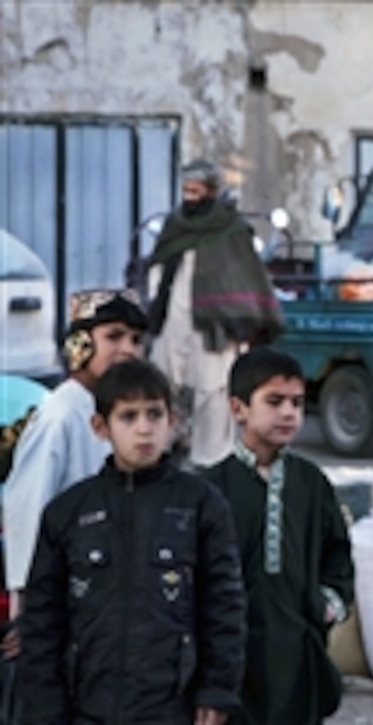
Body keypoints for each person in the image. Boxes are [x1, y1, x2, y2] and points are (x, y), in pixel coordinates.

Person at [17, 358, 247, 724]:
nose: (144, 430)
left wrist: (217, 690)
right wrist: (43, 708)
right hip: (86, 705)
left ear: (172, 421)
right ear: (100, 426)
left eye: (154, 415)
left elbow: (224, 606)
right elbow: (43, 620)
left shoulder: (202, 505)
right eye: (128, 416)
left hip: (173, 706)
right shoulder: (68, 512)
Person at [201, 347, 354, 724]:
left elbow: (338, 555)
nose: (288, 413)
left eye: (297, 403)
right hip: (234, 652)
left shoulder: (312, 483)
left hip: (298, 646)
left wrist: (328, 604)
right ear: (239, 409)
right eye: (274, 401)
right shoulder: (210, 489)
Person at [3, 288, 147, 624]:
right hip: (64, 596)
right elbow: (28, 509)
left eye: (136, 339)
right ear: (79, 345)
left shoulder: (115, 411)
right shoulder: (61, 416)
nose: (127, 349)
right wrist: (27, 605)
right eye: (114, 336)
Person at [147, 158, 285, 469]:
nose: (190, 197)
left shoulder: (231, 230)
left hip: (215, 328)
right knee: (162, 385)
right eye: (186, 190)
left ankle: (210, 461)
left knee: (213, 392)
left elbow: (245, 281)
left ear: (211, 192)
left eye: (196, 191)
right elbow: (158, 267)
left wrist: (240, 323)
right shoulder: (175, 225)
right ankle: (161, 451)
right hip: (173, 321)